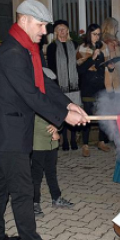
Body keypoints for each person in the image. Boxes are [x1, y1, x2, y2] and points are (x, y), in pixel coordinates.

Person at [0, 0, 88, 240]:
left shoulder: (27, 49)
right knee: (22, 191)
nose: (45, 31)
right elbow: (31, 94)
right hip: (9, 134)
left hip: (10, 131)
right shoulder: (12, 53)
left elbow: (44, 84)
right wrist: (64, 116)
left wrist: (68, 103)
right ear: (24, 20)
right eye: (41, 25)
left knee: (1, 185)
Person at [77, 23, 112, 157]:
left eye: (98, 34)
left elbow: (106, 66)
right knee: (88, 115)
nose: (97, 37)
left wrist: (111, 66)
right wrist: (92, 58)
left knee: (103, 112)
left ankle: (101, 141)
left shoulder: (103, 46)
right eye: (94, 34)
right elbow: (80, 69)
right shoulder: (83, 47)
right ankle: (85, 144)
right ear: (89, 34)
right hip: (87, 85)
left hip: (101, 84)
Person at [31, 113, 74, 217]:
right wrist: (53, 132)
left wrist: (57, 128)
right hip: (38, 144)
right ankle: (34, 203)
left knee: (51, 173)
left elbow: (60, 116)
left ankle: (56, 198)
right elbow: (35, 123)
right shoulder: (33, 100)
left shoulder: (49, 100)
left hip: (52, 144)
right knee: (36, 176)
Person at [47, 19, 79, 151]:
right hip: (60, 85)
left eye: (64, 28)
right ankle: (65, 140)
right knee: (63, 112)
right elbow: (51, 68)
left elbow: (78, 65)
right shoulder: (52, 47)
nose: (62, 31)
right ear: (55, 32)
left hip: (75, 85)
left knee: (75, 111)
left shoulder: (75, 45)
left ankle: (73, 139)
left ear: (68, 31)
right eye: (59, 29)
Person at [101, 17, 120, 94]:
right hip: (114, 72)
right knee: (117, 95)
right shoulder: (110, 42)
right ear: (112, 27)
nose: (117, 30)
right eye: (116, 27)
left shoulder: (105, 40)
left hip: (114, 71)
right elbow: (114, 58)